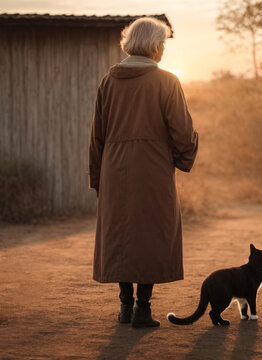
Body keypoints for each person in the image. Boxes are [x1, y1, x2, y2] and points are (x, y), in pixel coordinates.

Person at [88, 17, 199, 328]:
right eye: (161, 43)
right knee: (150, 233)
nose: (163, 49)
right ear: (153, 46)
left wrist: (98, 177)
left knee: (121, 234)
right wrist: (185, 155)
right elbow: (182, 131)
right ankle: (143, 310)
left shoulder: (108, 81)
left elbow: (97, 135)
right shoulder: (167, 81)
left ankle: (124, 307)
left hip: (114, 166)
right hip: (152, 169)